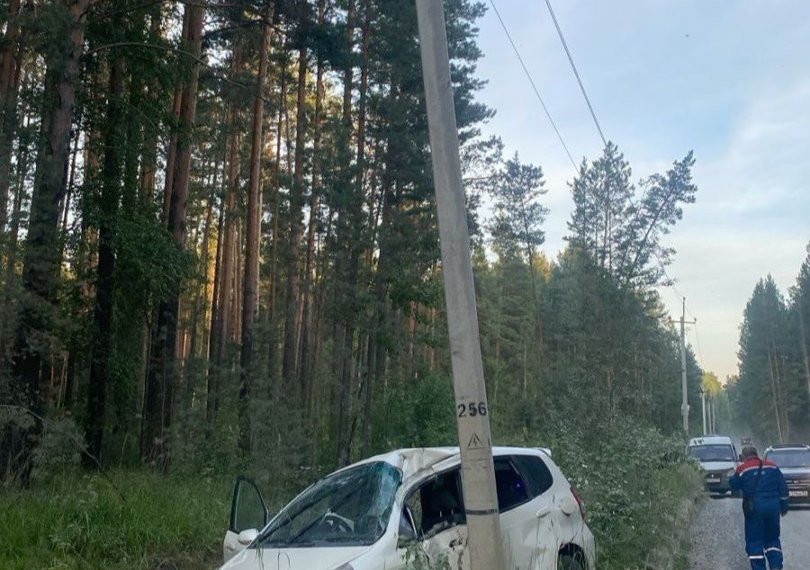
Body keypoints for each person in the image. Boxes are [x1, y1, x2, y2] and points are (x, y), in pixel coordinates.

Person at [729, 446, 790, 570]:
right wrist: (784, 508)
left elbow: (733, 484)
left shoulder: (743, 469)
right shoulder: (773, 466)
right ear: (757, 454)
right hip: (773, 509)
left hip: (754, 510)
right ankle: (776, 566)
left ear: (744, 457)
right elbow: (783, 490)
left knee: (755, 542)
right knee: (772, 539)